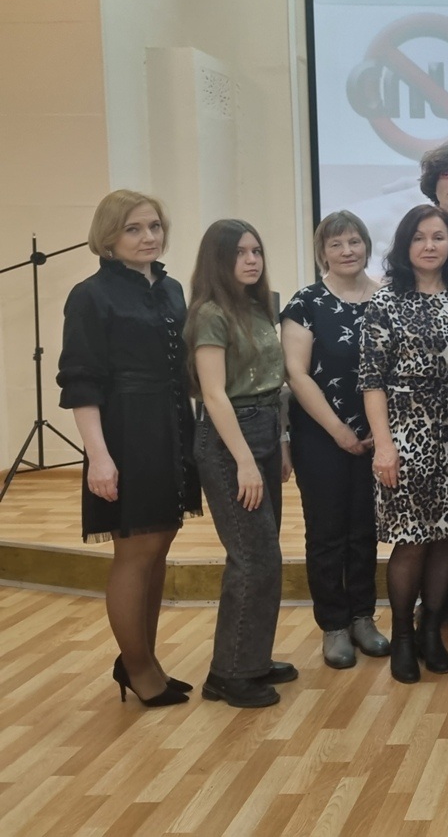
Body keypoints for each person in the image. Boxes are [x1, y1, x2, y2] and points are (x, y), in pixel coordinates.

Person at [58, 191, 201, 707]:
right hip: (126, 430)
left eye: (154, 226)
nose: (148, 237)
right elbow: (81, 382)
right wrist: (98, 456)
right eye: (134, 229)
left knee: (159, 545)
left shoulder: (171, 289)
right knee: (135, 551)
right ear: (109, 236)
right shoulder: (90, 295)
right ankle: (137, 667)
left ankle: (145, 659)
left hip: (171, 426)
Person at [360, 205, 448, 685]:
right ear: (405, 245)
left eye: (439, 237)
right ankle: (404, 636)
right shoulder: (386, 301)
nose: (429, 246)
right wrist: (384, 446)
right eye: (419, 238)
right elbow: (371, 381)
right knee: (410, 541)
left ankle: (432, 630)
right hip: (406, 435)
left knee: (446, 537)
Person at [187, 219, 295, 709]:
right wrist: (246, 462)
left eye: (256, 250)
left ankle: (250, 658)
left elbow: (274, 383)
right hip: (230, 439)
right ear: (219, 259)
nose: (252, 260)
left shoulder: (256, 305)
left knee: (265, 554)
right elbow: (213, 394)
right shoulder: (210, 314)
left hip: (264, 427)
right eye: (240, 253)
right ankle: (229, 674)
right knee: (254, 557)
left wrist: (281, 443)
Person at [280, 211, 389, 670]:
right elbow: (297, 374)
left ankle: (363, 617)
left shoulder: (386, 297)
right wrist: (340, 431)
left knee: (364, 530)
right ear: (322, 252)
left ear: (366, 245)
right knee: (327, 533)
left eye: (355, 242)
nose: (348, 251)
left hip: (377, 437)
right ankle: (334, 625)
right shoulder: (305, 303)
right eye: (336, 244)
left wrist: (378, 433)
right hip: (321, 435)